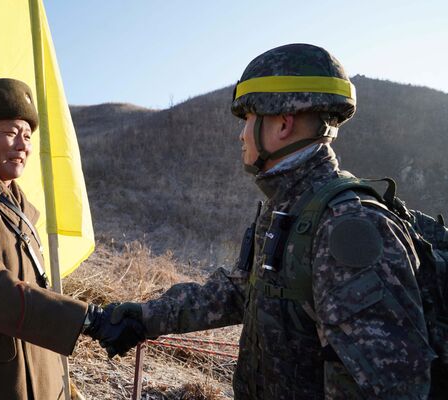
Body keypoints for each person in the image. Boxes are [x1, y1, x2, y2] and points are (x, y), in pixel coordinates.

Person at [106, 44, 436, 399]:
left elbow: (387, 388)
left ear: (282, 122)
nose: (242, 133)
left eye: (248, 119)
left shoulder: (347, 226)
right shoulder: (289, 210)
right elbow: (239, 292)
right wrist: (143, 317)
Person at [0, 78, 144, 400]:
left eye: (28, 135)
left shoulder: (21, 206)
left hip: (39, 365)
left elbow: (33, 288)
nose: (23, 145)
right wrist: (88, 319)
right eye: (9, 133)